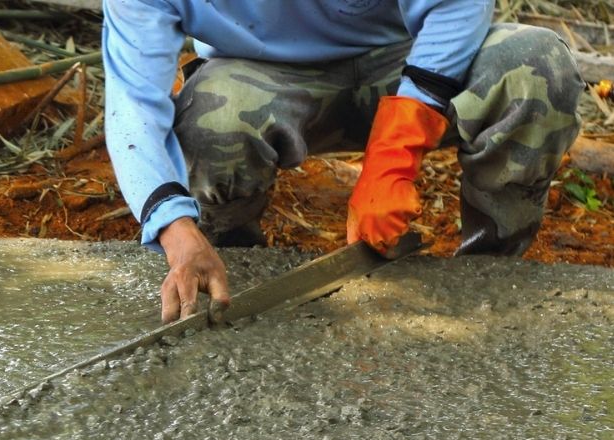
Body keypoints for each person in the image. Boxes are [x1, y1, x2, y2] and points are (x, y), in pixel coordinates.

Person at [102, 0, 584, 322]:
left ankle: (488, 278)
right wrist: (172, 226)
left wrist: (395, 153)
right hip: (261, 74)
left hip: (407, 56)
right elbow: (134, 101)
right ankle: (227, 273)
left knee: (535, 67)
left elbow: (457, 4)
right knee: (210, 121)